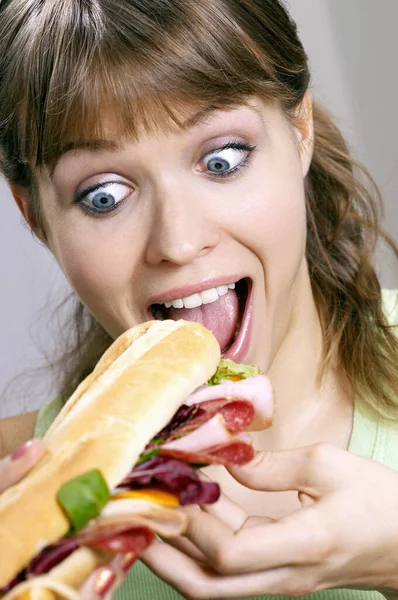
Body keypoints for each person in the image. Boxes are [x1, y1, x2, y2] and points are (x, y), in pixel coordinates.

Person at [1, 0, 398, 599]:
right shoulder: (17, 500)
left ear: (299, 131)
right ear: (34, 216)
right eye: (105, 195)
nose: (179, 242)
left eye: (221, 160)